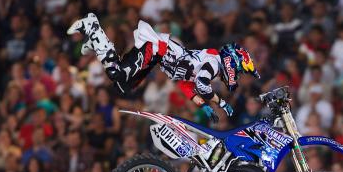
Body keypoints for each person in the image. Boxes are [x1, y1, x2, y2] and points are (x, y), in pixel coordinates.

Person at [66, 13, 259, 121]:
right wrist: (221, 102)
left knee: (123, 85)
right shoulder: (215, 62)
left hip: (157, 58)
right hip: (157, 49)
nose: (237, 74)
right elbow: (201, 84)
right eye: (239, 69)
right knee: (117, 73)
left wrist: (203, 105)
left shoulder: (212, 69)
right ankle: (92, 27)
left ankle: (97, 43)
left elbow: (187, 86)